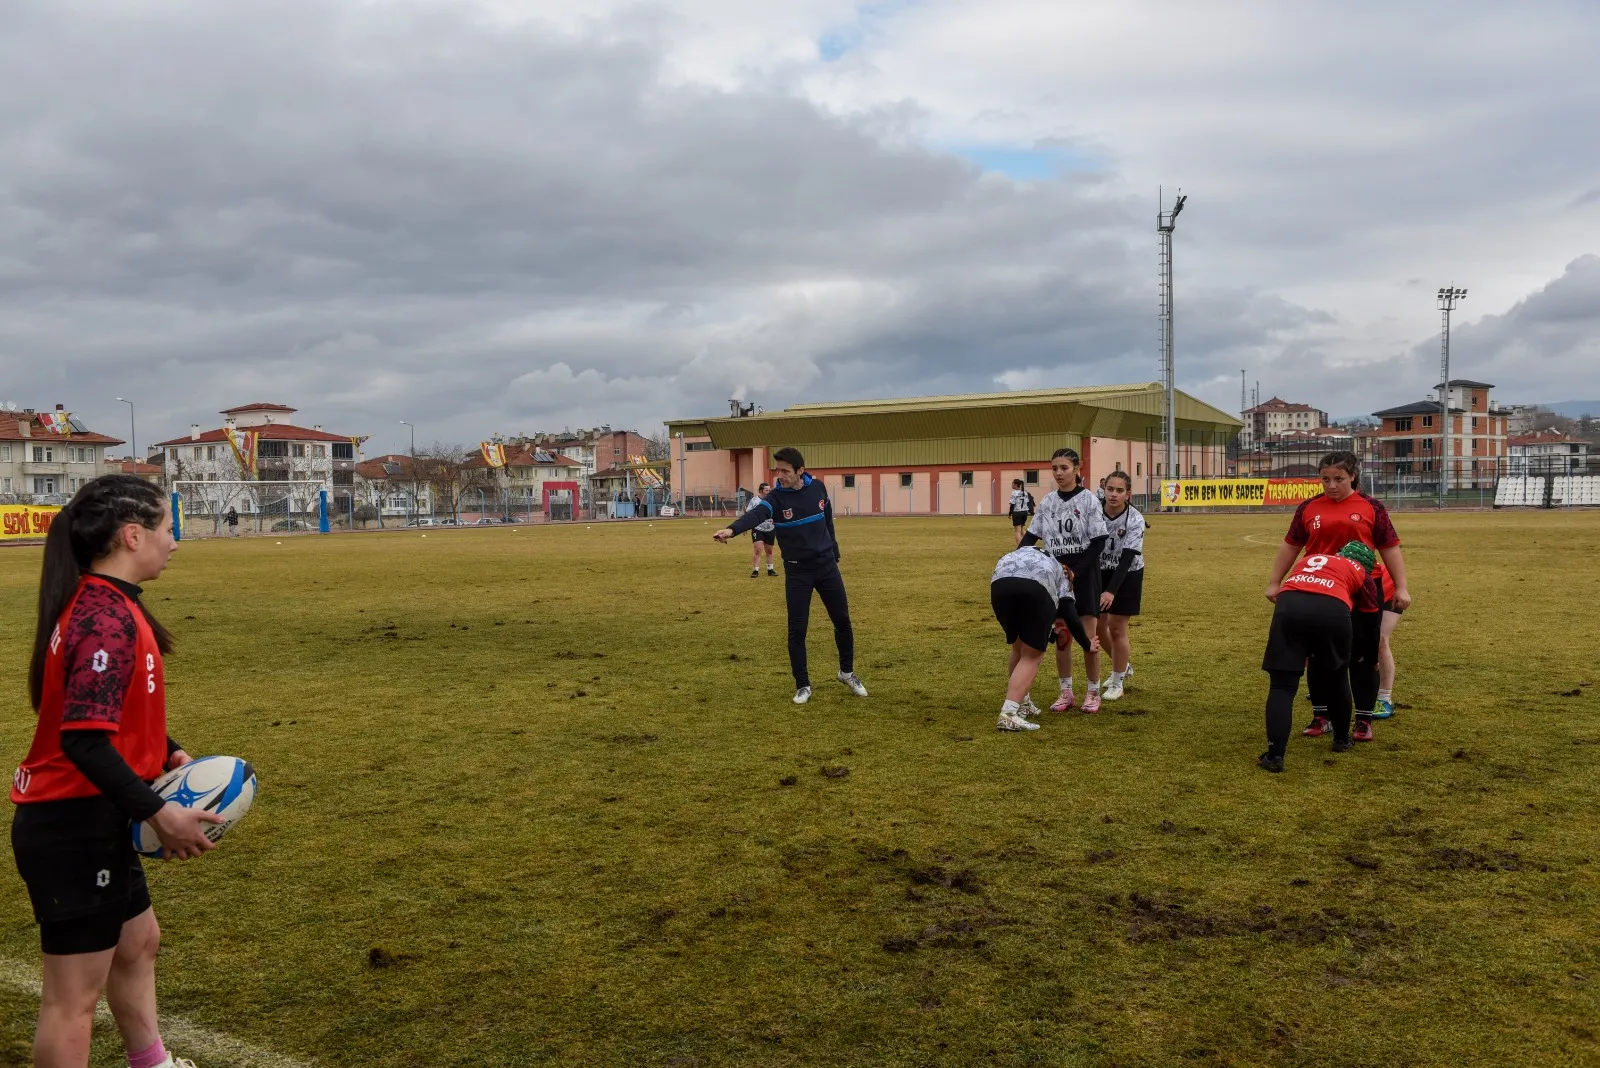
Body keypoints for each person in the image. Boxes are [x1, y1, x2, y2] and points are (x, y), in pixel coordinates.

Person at [12, 475, 223, 1068]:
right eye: (165, 527)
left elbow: (102, 711)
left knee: (137, 943)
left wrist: (166, 750)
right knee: (71, 1000)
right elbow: (82, 739)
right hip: (72, 823)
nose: (173, 540)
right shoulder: (104, 618)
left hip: (99, 814)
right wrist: (161, 813)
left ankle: (152, 1063)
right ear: (133, 536)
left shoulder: (108, 604)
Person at [1264, 451, 1411, 743]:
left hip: (1364, 589)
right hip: (1323, 589)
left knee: (1364, 655)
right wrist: (1274, 581)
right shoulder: (1308, 507)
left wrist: (1402, 587)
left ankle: (1363, 720)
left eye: (1339, 479)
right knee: (1317, 656)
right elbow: (1291, 545)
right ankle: (1322, 716)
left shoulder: (1371, 507)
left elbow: (1389, 547)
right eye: (1325, 479)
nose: (1331, 486)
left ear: (1353, 476)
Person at [713, 448, 868, 704]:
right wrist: (732, 530)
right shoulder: (774, 499)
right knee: (797, 630)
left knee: (842, 621)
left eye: (785, 471)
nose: (780, 475)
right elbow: (756, 515)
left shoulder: (818, 488)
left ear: (800, 471)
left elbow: (828, 522)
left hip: (827, 567)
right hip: (798, 572)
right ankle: (803, 685)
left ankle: (847, 673)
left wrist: (834, 552)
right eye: (777, 470)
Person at [1258, 540, 1378, 772]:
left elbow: (1304, 591)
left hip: (1288, 605)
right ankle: (1342, 740)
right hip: (1333, 610)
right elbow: (1371, 623)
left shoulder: (1308, 560)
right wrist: (1371, 658)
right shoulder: (1362, 573)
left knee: (1282, 686)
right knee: (1337, 677)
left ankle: (1274, 755)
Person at [1020, 448, 1109, 713]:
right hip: (1055, 575)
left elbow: (1099, 542)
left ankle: (1093, 692)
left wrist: (1077, 571)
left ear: (1077, 469)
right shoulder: (1047, 502)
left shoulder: (1089, 500)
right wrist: (1017, 561)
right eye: (1055, 468)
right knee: (1062, 636)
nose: (1059, 473)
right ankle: (1066, 692)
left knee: (1088, 636)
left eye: (1064, 468)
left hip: (1084, 575)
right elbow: (1031, 536)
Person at [989, 545, 1094, 731]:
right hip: (1033, 587)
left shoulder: (1032, 552)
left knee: (1018, 647)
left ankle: (1022, 703)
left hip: (999, 584)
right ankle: (1009, 713)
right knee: (1032, 655)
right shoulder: (1063, 573)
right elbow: (1069, 613)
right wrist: (1087, 644)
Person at [1096, 471, 1145, 701]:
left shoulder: (1134, 519)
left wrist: (1111, 591)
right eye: (1110, 489)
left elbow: (1127, 559)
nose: (1114, 494)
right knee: (1097, 627)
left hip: (1128, 573)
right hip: (1100, 571)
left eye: (1119, 490)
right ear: (1104, 489)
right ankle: (1123, 666)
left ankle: (1117, 682)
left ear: (1128, 494)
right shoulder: (1094, 512)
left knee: (1116, 626)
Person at [744, 482, 777, 578]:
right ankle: (755, 570)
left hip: (770, 528)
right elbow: (748, 513)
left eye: (769, 490)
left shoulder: (772, 500)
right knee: (758, 549)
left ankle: (770, 569)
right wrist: (745, 526)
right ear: (761, 491)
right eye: (766, 490)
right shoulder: (754, 501)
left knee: (769, 551)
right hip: (757, 528)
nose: (768, 491)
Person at [1006, 478, 1034, 547]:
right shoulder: (1025, 492)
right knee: (1022, 529)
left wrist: (1010, 514)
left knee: (1017, 531)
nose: (1011, 485)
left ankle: (1020, 547)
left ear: (1015, 485)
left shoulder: (1014, 493)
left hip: (1017, 512)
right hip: (1024, 512)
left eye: (1012, 484)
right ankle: (1029, 544)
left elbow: (1012, 504)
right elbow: (1028, 502)